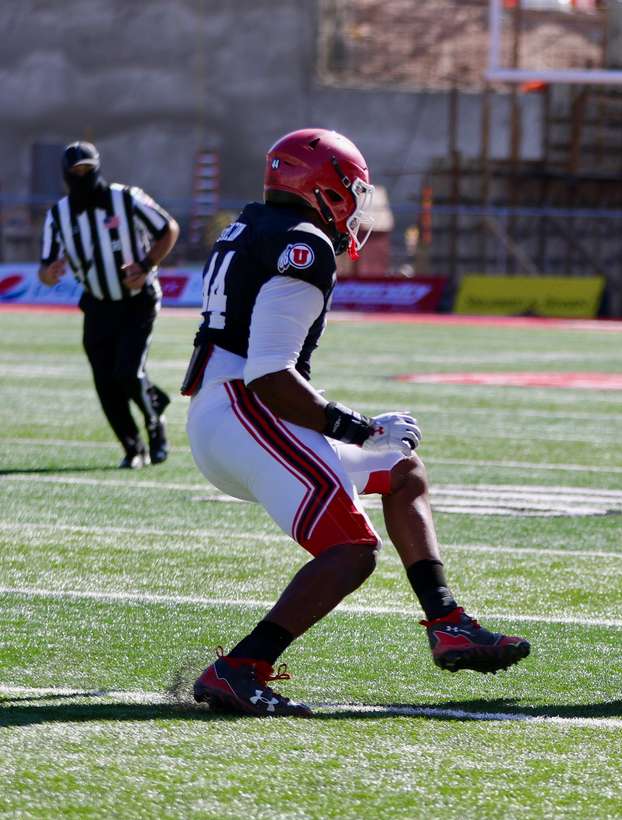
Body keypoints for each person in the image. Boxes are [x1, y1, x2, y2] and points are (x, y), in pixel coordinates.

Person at [182, 128, 530, 717]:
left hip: (232, 411)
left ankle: (447, 622)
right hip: (245, 409)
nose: (355, 207)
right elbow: (270, 374)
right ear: (326, 189)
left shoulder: (252, 226)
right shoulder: (302, 244)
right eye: (351, 191)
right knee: (351, 549)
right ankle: (240, 668)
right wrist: (358, 427)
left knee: (402, 471)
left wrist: (365, 437)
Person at [38, 141, 179, 468]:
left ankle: (155, 423)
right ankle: (133, 448)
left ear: (98, 168)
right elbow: (44, 269)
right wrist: (50, 273)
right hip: (98, 304)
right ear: (66, 176)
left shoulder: (125, 198)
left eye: (88, 170)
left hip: (136, 300)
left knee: (127, 372)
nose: (83, 177)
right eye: (77, 172)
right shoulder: (58, 215)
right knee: (105, 382)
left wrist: (145, 265)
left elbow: (168, 228)